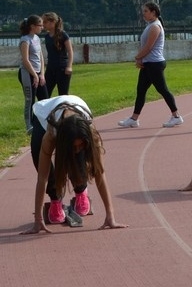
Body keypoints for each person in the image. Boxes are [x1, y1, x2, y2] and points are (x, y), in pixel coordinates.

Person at [21, 95, 128, 234]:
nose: (77, 149)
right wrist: (38, 220)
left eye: (80, 145)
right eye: (74, 146)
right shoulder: (51, 133)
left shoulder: (92, 134)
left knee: (78, 157)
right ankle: (55, 198)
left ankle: (81, 189)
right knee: (37, 153)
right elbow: (42, 178)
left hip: (75, 114)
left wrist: (110, 216)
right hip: (44, 116)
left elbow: (100, 174)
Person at [118, 2, 184, 129]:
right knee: (141, 91)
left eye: (146, 11)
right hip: (148, 64)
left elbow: (149, 46)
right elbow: (144, 46)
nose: (143, 14)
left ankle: (176, 116)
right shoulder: (150, 25)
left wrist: (138, 57)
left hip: (155, 64)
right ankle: (134, 119)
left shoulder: (155, 27)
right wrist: (141, 59)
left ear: (153, 12)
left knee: (163, 90)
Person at [19, 15, 48, 134]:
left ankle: (43, 122)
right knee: (30, 99)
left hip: (38, 73)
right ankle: (29, 125)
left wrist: (42, 74)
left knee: (45, 99)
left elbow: (41, 57)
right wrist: (34, 75)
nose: (42, 27)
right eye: (40, 25)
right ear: (32, 26)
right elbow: (26, 60)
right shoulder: (25, 40)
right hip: (27, 73)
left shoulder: (36, 38)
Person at [42, 12, 74, 97]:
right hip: (50, 68)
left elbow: (70, 51)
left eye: (45, 22)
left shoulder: (63, 35)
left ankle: (64, 106)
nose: (43, 24)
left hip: (62, 68)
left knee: (63, 94)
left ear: (53, 22)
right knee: (45, 93)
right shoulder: (47, 36)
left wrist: (69, 66)